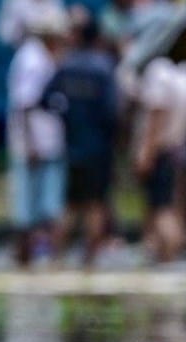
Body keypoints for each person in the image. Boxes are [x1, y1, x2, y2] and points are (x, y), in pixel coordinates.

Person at [42, 16, 120, 265]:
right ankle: (89, 259)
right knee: (95, 204)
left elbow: (45, 100)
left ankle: (56, 257)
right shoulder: (103, 67)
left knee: (70, 204)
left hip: (72, 145)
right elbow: (112, 111)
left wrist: (66, 115)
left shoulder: (66, 66)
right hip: (99, 147)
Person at [6, 9, 70, 266]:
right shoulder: (32, 59)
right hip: (34, 146)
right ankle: (27, 261)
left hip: (49, 143)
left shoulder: (46, 56)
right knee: (27, 211)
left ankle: (49, 261)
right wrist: (30, 144)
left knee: (49, 208)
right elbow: (24, 105)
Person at [132, 55, 186, 263]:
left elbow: (157, 114)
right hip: (177, 149)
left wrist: (146, 152)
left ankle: (169, 258)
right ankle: (164, 257)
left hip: (160, 150)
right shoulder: (185, 73)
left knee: (162, 208)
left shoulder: (161, 70)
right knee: (169, 206)